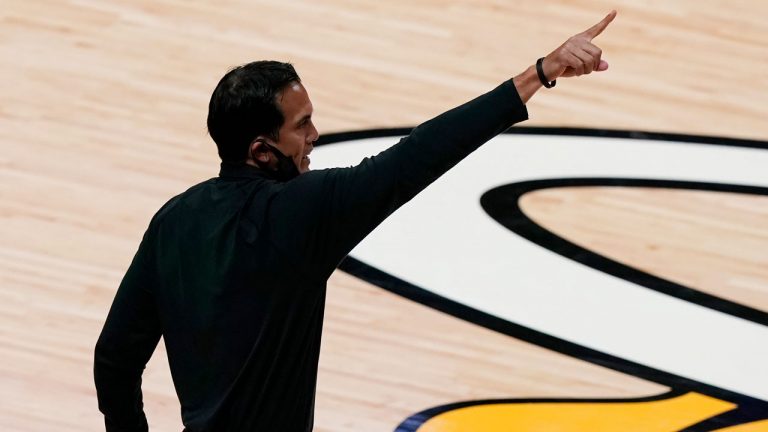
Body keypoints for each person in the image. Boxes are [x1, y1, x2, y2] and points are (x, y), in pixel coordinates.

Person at [94, 11, 617, 432]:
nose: (315, 135)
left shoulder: (172, 221)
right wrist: (538, 73)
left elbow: (115, 359)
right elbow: (419, 155)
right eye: (302, 126)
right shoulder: (303, 213)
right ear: (261, 151)